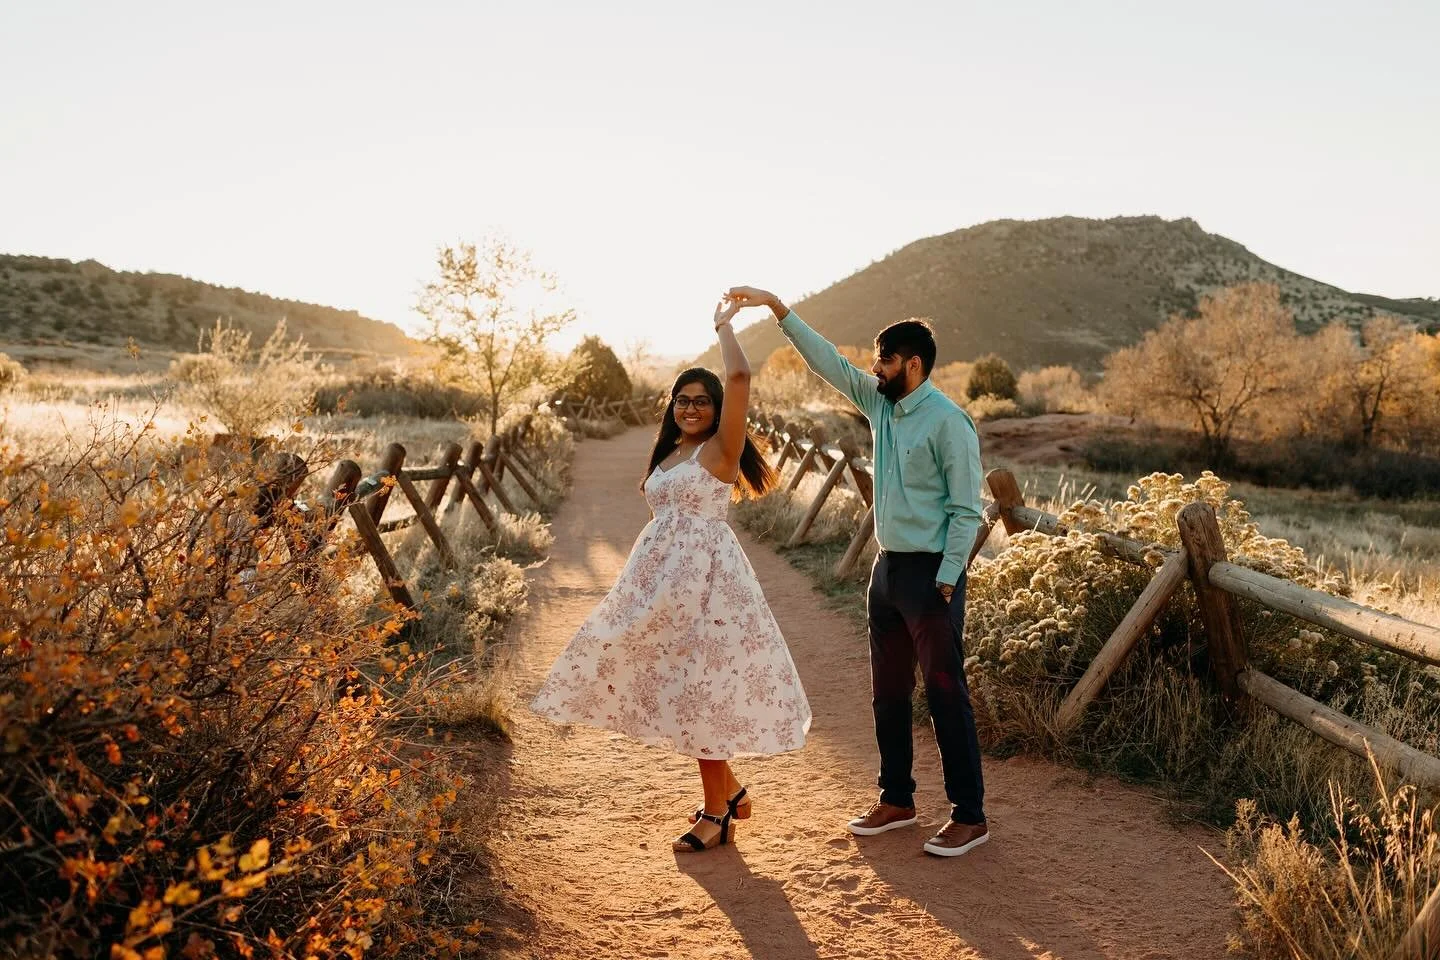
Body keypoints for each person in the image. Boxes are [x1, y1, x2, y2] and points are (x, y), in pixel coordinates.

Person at [531, 299, 812, 854]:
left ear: (715, 409)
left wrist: (723, 326)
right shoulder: (672, 450)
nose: (690, 408)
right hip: (656, 585)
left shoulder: (720, 452)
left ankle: (718, 812)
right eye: (682, 400)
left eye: (701, 402)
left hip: (709, 584)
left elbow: (739, 373)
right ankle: (728, 791)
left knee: (700, 690)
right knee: (663, 678)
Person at [723, 285, 988, 858]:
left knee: (945, 696)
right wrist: (776, 308)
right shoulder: (880, 405)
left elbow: (969, 509)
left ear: (913, 364)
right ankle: (898, 800)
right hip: (887, 571)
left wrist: (946, 581)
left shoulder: (950, 423)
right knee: (887, 694)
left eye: (886, 360)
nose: (875, 368)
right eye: (876, 360)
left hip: (932, 578)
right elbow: (830, 363)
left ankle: (970, 816)